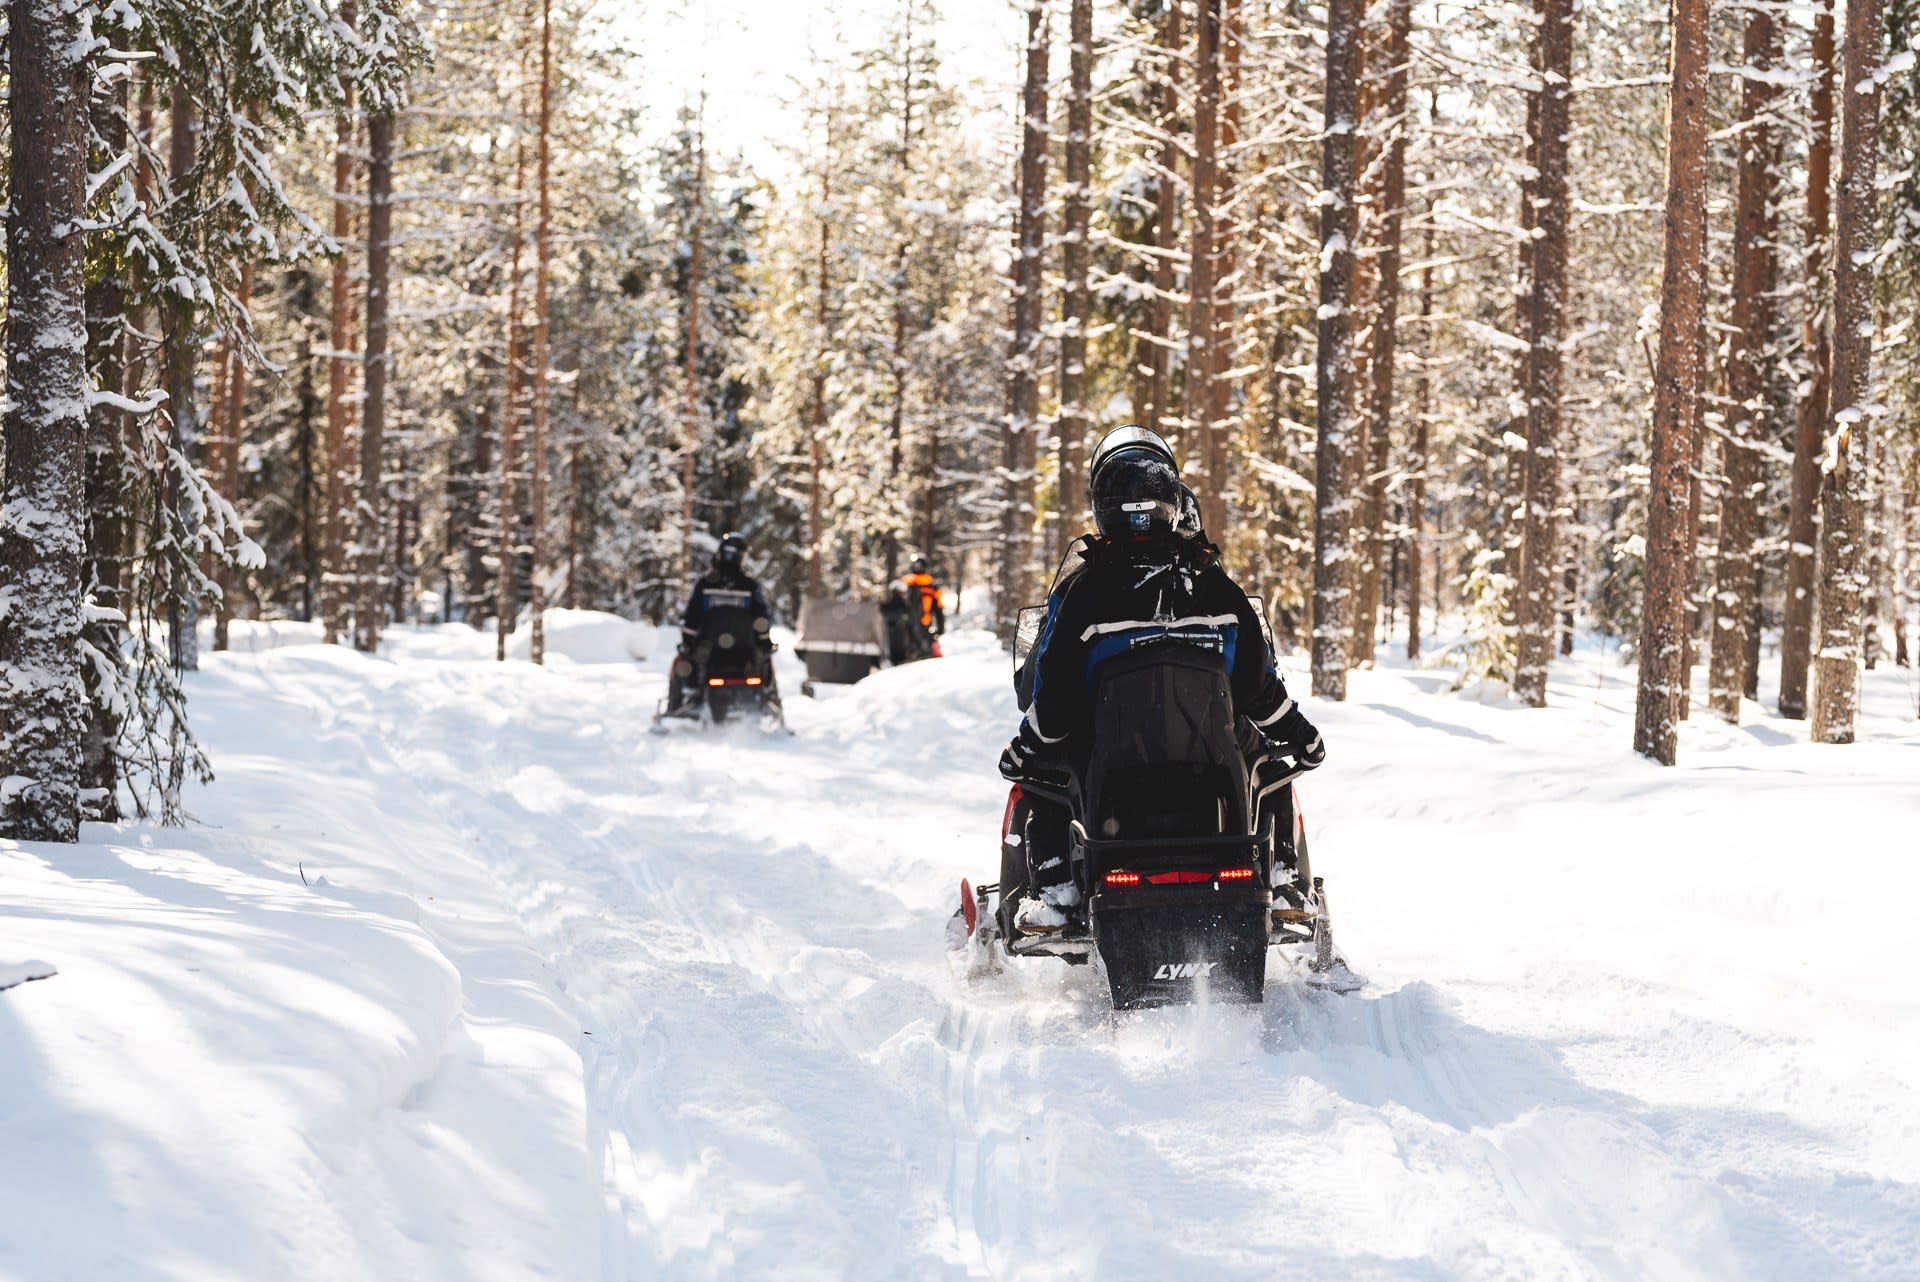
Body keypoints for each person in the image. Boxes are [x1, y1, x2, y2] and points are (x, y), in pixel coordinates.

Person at [998, 426, 1325, 927]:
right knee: (1270, 761)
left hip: (1112, 768)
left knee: (1038, 771)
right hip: (1208, 770)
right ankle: (1282, 880)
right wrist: (1301, 737)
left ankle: (1056, 891)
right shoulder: (1216, 588)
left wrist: (1026, 745)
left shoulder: (1086, 595)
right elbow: (1257, 688)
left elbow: (1057, 699)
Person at [666, 531, 774, 714]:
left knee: (681, 661)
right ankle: (769, 697)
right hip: (743, 653)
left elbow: (692, 618)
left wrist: (688, 642)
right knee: (766, 660)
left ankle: (679, 702)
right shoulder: (750, 586)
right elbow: (761, 620)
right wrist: (764, 642)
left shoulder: (705, 584)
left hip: (709, 652)